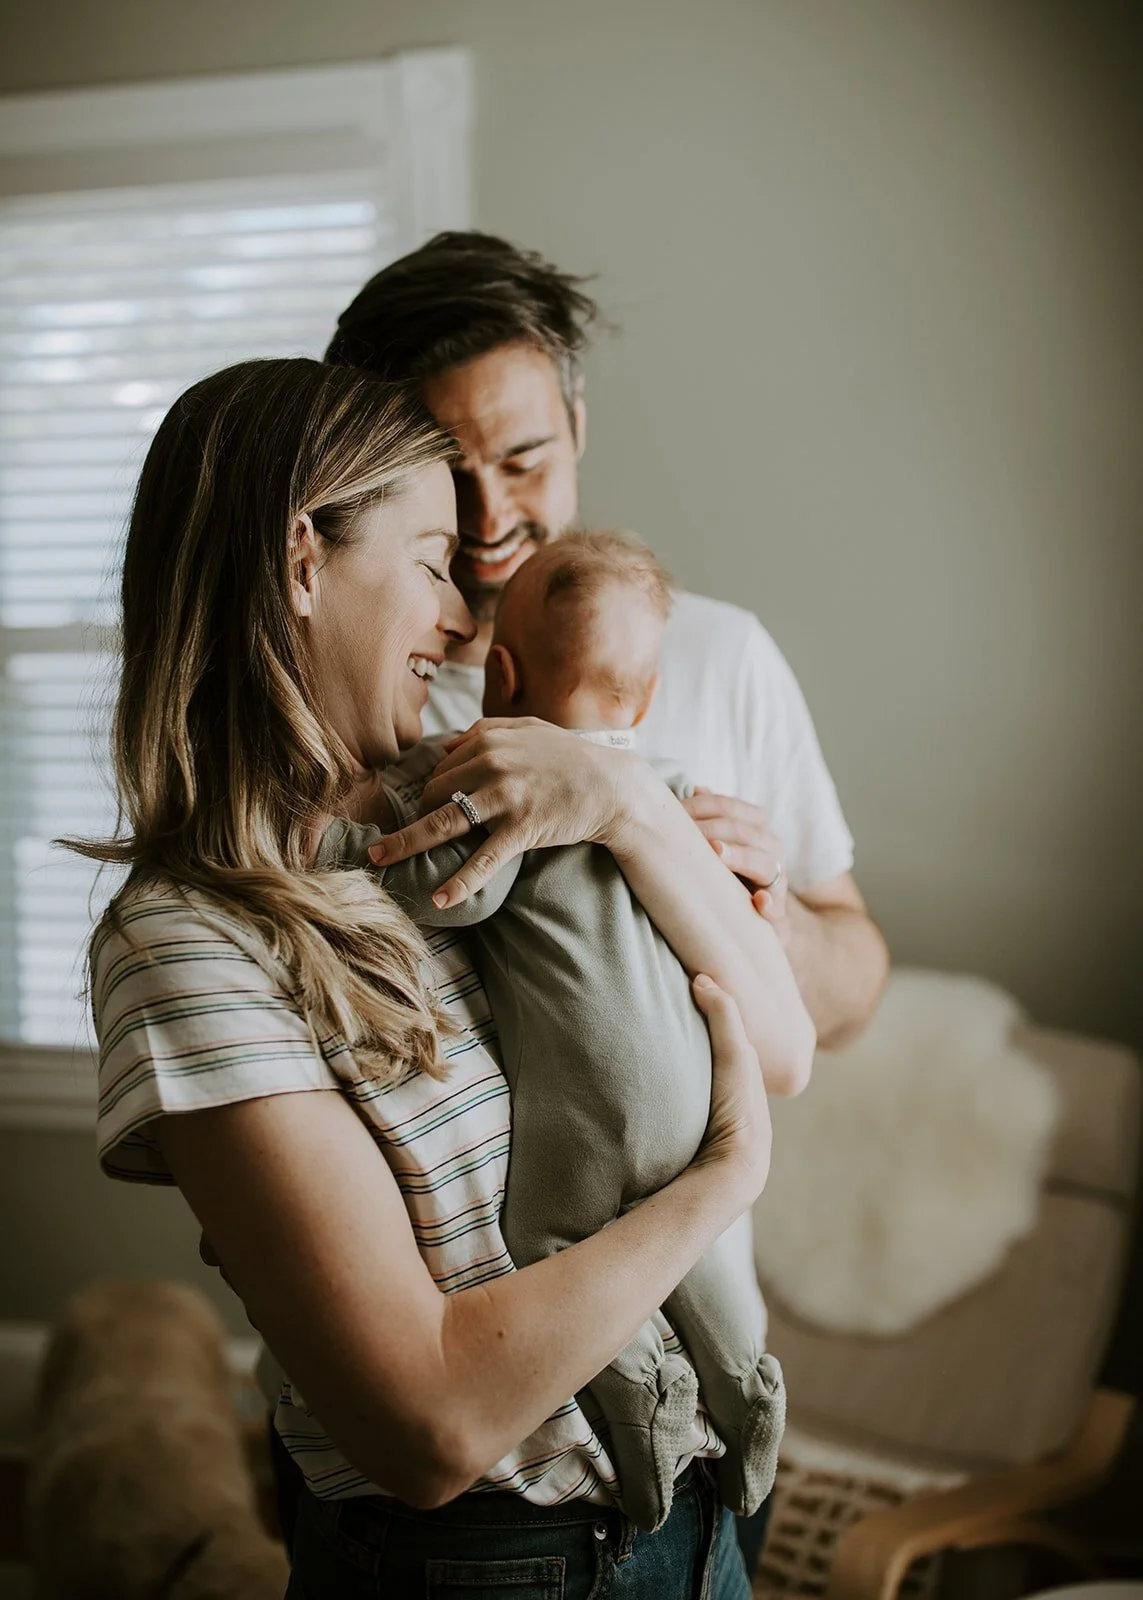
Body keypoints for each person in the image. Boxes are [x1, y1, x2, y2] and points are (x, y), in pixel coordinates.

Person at [76, 357, 815, 1597]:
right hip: (490, 1565)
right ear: (304, 558)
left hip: (701, 1530)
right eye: (431, 561)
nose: (466, 625)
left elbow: (779, 1045)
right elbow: (426, 1422)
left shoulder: (474, 795)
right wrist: (723, 1179)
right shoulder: (188, 942)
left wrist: (634, 804)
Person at [325, 229, 890, 1567]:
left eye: (520, 458)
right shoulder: (364, 689)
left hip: (690, 1401)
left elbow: (853, 978)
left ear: (575, 422)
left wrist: (735, 894)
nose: (485, 514)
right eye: (441, 472)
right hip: (467, 1442)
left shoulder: (713, 655)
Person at [324, 531, 796, 1534]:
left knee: (552, 1243)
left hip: (593, 1102)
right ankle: (750, 1388)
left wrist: (364, 852)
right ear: (649, 693)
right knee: (700, 1250)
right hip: (699, 1086)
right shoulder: (669, 788)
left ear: (498, 673)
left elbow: (454, 897)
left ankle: (648, 1412)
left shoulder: (495, 773)